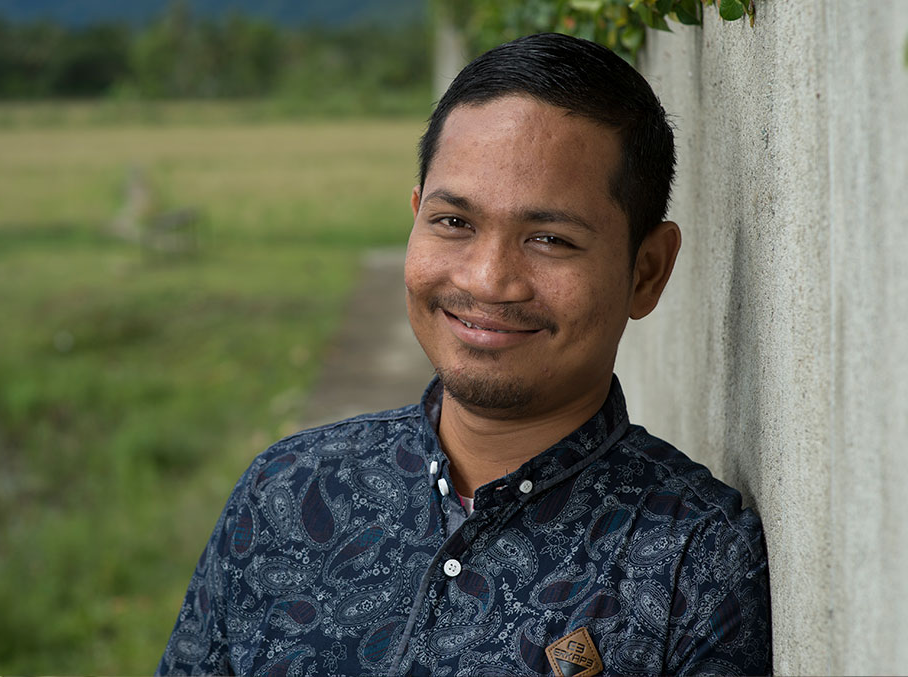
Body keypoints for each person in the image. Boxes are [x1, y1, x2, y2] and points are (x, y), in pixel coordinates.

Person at [157, 33, 771, 676]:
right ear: (416, 216)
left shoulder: (692, 561)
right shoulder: (286, 493)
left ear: (646, 272)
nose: (487, 280)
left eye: (550, 238)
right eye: (454, 223)